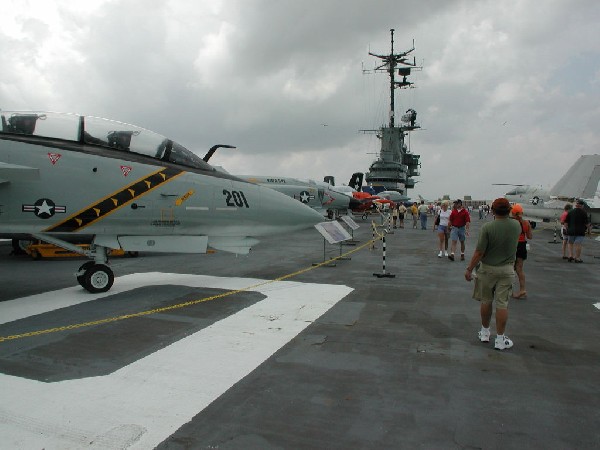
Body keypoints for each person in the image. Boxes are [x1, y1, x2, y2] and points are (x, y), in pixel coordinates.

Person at [465, 198, 521, 350]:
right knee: (502, 304)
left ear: (492, 211)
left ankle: (484, 332)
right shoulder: (516, 225)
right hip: (507, 269)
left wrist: (469, 269)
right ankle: (500, 339)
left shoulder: (487, 227)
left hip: (488, 269)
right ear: (509, 210)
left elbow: (479, 252)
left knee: (486, 301)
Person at [511, 204, 532, 299]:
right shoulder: (526, 223)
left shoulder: (511, 223)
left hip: (513, 245)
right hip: (522, 245)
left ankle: (509, 289)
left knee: (510, 268)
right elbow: (530, 236)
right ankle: (522, 289)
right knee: (519, 269)